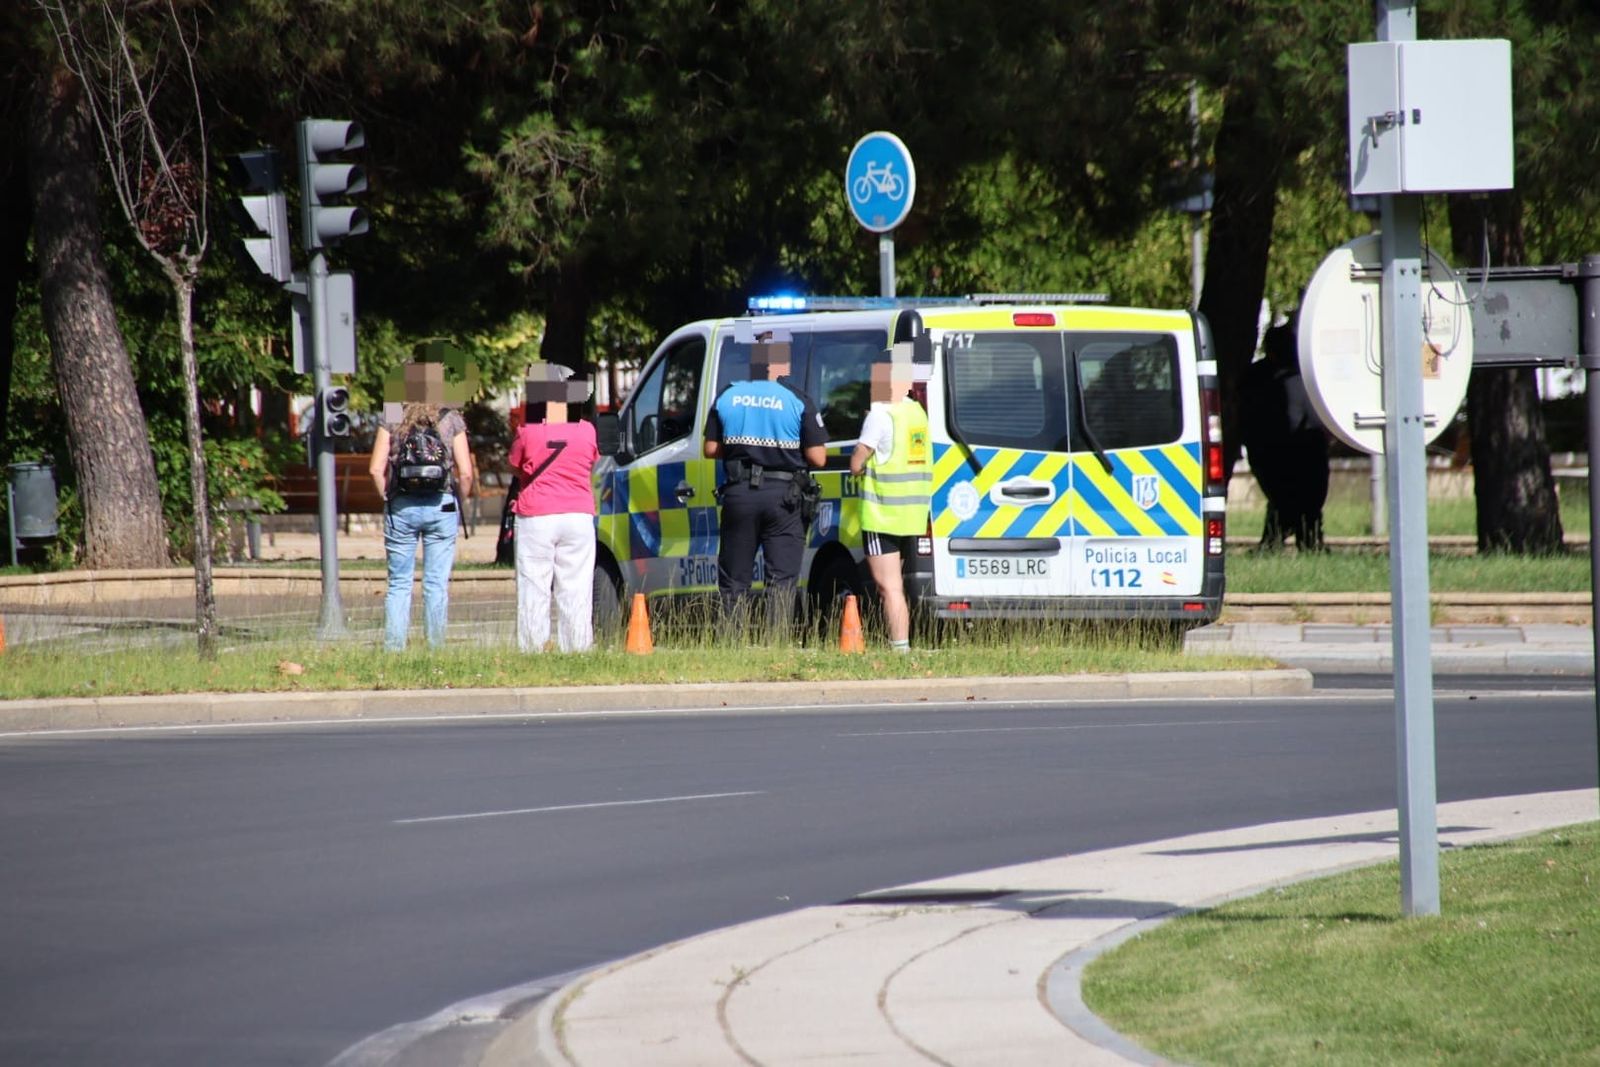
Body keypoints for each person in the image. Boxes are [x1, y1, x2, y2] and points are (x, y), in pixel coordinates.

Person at [703, 331, 827, 634]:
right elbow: (818, 458)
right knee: (781, 579)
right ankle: (776, 644)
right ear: (780, 362)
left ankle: (731, 643)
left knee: (734, 579)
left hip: (739, 494)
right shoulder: (797, 399)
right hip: (783, 497)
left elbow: (710, 449)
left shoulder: (728, 395)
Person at [368, 400, 473, 650]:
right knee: (436, 583)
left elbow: (375, 469)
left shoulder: (393, 413)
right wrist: (457, 503)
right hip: (441, 504)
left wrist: (388, 498)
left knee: (398, 582)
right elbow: (466, 473)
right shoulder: (449, 416)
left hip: (401, 506)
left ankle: (394, 648)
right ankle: (435, 648)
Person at [507, 364, 598, 652]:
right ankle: (578, 647)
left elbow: (515, 466)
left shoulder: (528, 431)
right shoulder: (587, 430)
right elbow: (590, 462)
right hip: (578, 515)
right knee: (577, 586)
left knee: (534, 585)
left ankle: (533, 649)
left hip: (537, 515)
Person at [849, 348, 931, 652]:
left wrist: (856, 466)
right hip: (913, 515)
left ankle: (900, 649)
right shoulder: (917, 412)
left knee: (889, 587)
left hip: (882, 514)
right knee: (900, 586)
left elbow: (858, 460)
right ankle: (902, 646)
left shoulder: (881, 414)